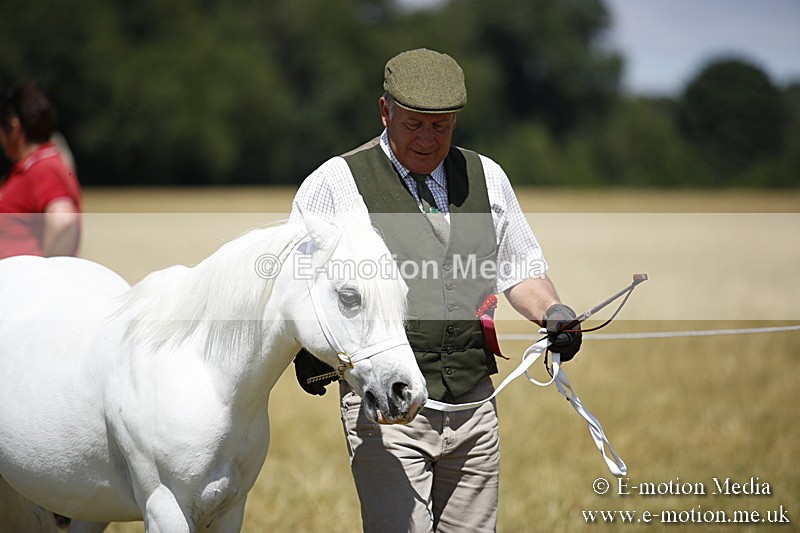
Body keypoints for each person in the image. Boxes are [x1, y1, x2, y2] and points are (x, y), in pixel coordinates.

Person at [290, 48, 582, 532]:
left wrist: (553, 311)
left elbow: (520, 268)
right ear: (385, 112)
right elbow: (299, 284)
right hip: (388, 406)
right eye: (414, 124)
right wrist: (314, 348)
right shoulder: (335, 183)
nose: (427, 139)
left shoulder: (487, 177)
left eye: (440, 127)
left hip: (475, 405)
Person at [0, 82, 82, 260]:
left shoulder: (41, 168)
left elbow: (63, 221)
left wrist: (45, 271)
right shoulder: (40, 164)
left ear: (14, 126)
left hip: (23, 277)